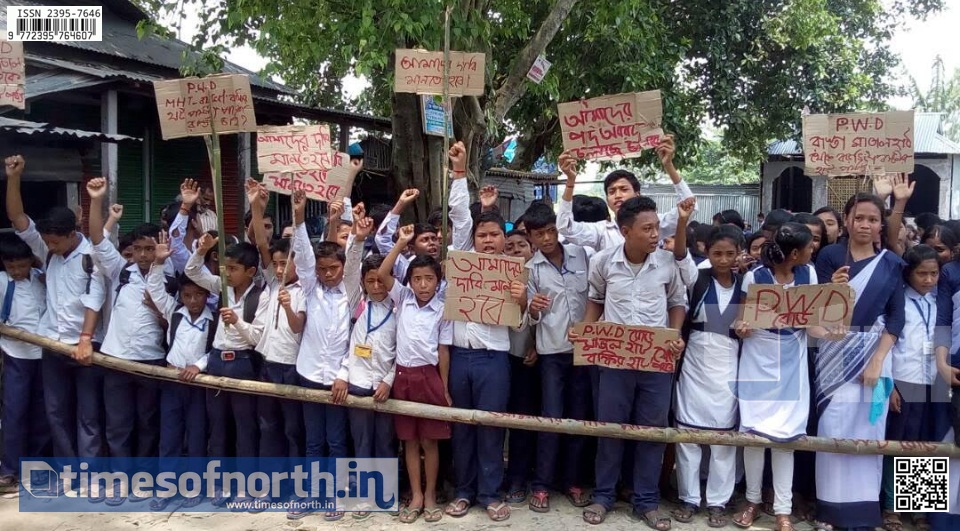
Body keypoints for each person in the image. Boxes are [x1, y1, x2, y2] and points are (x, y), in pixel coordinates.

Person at [578, 196, 687, 528]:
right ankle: (603, 496)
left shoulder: (667, 263)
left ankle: (647, 500)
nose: (656, 234)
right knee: (610, 429)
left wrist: (674, 335)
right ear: (626, 231)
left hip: (656, 363)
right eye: (648, 228)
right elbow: (595, 299)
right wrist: (585, 332)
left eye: (656, 227)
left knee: (651, 432)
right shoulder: (603, 262)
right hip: (614, 362)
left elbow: (677, 302)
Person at [6, 155, 106, 498]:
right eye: (46, 242)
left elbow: (95, 299)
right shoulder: (48, 250)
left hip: (86, 348)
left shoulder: (91, 256)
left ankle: (91, 473)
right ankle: (69, 472)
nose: (49, 247)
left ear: (71, 234)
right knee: (56, 412)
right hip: (52, 345)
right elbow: (18, 218)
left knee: (88, 415)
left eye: (55, 242)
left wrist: (85, 340)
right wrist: (14, 177)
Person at [444, 141, 528, 523]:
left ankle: (490, 495)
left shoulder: (513, 272)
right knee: (463, 428)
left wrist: (521, 299)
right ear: (474, 241)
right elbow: (461, 217)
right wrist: (459, 174)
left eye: (494, 235)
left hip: (495, 360)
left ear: (502, 238)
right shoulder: (463, 263)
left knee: (491, 428)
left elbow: (520, 321)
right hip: (460, 357)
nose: (488, 240)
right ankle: (463, 492)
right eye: (482, 236)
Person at [812, 193, 905, 531]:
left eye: (873, 219)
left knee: (901, 434)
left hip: (895, 361)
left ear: (882, 225)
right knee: (835, 427)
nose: (865, 225)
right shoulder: (830, 256)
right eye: (859, 218)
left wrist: (879, 359)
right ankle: (832, 512)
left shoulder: (896, 265)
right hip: (837, 354)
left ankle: (911, 513)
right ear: (847, 220)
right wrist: (833, 290)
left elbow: (896, 318)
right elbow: (818, 311)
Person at [288, 170, 363, 521]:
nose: (328, 273)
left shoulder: (350, 294)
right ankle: (310, 497)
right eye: (323, 268)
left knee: (336, 441)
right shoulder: (310, 288)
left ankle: (335, 497)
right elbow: (302, 255)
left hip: (336, 379)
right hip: (307, 374)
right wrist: (299, 217)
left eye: (334, 268)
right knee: (312, 440)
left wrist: (344, 375)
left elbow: (353, 343)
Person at [733, 222, 818, 531]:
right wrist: (742, 327)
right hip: (758, 355)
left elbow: (812, 322)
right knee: (754, 434)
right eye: (809, 247)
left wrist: (830, 331)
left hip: (792, 357)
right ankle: (753, 500)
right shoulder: (755, 277)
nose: (813, 251)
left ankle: (782, 509)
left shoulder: (810, 275)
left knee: (787, 435)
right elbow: (742, 319)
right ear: (795, 253)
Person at [88, 179, 167, 502]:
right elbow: (96, 238)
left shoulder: (169, 279)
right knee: (118, 424)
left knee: (148, 423)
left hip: (152, 361)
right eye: (140, 249)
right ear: (130, 251)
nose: (146, 255)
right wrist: (97, 201)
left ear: (160, 248)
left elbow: (173, 323)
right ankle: (119, 480)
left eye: (152, 248)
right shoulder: (121, 270)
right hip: (116, 360)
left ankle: (144, 480)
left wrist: (159, 310)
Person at [378, 224, 453, 524]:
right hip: (403, 376)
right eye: (417, 279)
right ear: (409, 282)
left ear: (438, 281)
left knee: (430, 441)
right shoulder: (403, 299)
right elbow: (384, 274)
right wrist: (401, 243)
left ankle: (432, 494)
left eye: (429, 279)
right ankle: (416, 494)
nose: (423, 285)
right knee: (409, 440)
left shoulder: (442, 308)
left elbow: (443, 351)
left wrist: (444, 387)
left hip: (429, 377)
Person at [186, 234, 267, 509]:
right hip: (217, 360)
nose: (228, 273)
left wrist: (239, 322)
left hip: (244, 362)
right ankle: (218, 484)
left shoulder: (261, 296)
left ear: (251, 271)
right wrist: (202, 249)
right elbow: (192, 271)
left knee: (245, 429)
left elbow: (258, 337)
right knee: (218, 427)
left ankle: (246, 487)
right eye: (225, 268)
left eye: (233, 268)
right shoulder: (221, 288)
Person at [672, 223, 744, 528]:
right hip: (696, 364)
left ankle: (717, 501)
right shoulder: (696, 279)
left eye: (730, 253)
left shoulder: (748, 285)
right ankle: (689, 498)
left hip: (730, 365)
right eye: (718, 253)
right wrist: (681, 220)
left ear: (740, 254)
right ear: (706, 251)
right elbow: (678, 256)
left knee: (723, 441)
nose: (724, 259)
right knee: (687, 436)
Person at [523, 202, 594, 512]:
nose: (548, 238)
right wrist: (533, 308)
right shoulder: (530, 270)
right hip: (551, 353)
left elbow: (595, 297)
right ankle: (541, 485)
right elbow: (528, 316)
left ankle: (574, 482)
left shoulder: (581, 254)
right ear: (531, 237)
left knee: (578, 419)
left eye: (551, 230)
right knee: (551, 418)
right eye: (540, 234)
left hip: (583, 352)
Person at [331, 216, 398, 520]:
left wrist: (388, 379)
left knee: (384, 441)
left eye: (380, 280)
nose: (375, 285)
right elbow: (350, 269)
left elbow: (402, 354)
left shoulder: (400, 310)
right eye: (369, 281)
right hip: (356, 381)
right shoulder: (357, 302)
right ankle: (362, 494)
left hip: (385, 388)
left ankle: (384, 492)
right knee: (360, 440)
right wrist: (357, 239)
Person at [146, 234, 214, 511]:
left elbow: (215, 351)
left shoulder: (215, 318)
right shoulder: (175, 312)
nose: (193, 300)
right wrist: (158, 263)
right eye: (187, 295)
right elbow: (154, 289)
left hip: (198, 385)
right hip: (171, 382)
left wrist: (199, 365)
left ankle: (194, 487)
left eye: (198, 295)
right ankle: (165, 487)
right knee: (170, 436)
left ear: (207, 295)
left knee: (197, 436)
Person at [880, 245, 941, 531]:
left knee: (924, 444)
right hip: (902, 381)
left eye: (934, 273)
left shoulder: (938, 303)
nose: (928, 280)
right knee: (897, 444)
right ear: (908, 274)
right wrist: (889, 386)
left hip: (931, 382)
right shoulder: (898, 302)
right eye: (922, 274)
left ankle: (919, 507)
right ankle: (891, 505)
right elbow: (888, 347)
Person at [557, 135, 693, 252]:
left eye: (624, 189)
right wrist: (570, 180)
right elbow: (565, 226)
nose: (617, 195)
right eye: (612, 191)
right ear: (607, 199)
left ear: (637, 194)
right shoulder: (601, 231)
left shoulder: (656, 224)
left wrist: (669, 165)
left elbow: (689, 207)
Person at [0, 235, 48, 493]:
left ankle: (34, 466)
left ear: (31, 261)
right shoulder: (1, 283)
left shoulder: (40, 279)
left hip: (44, 355)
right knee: (15, 412)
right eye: (12, 267)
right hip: (16, 354)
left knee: (41, 413)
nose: (17, 271)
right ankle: (8, 470)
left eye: (22, 265)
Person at [502, 229, 538, 505]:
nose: (515, 250)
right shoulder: (495, 277)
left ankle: (520, 477)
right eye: (510, 246)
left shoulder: (540, 276)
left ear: (532, 248)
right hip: (501, 358)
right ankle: (505, 475)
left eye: (521, 245)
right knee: (501, 420)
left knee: (524, 422)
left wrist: (536, 345)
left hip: (530, 360)